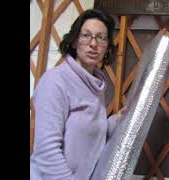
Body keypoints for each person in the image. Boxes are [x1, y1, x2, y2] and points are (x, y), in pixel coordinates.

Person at [30, 9, 125, 180]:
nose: (93, 44)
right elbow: (47, 152)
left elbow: (89, 133)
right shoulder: (56, 82)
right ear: (74, 41)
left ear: (107, 48)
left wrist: (117, 120)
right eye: (86, 35)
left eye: (101, 38)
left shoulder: (94, 84)